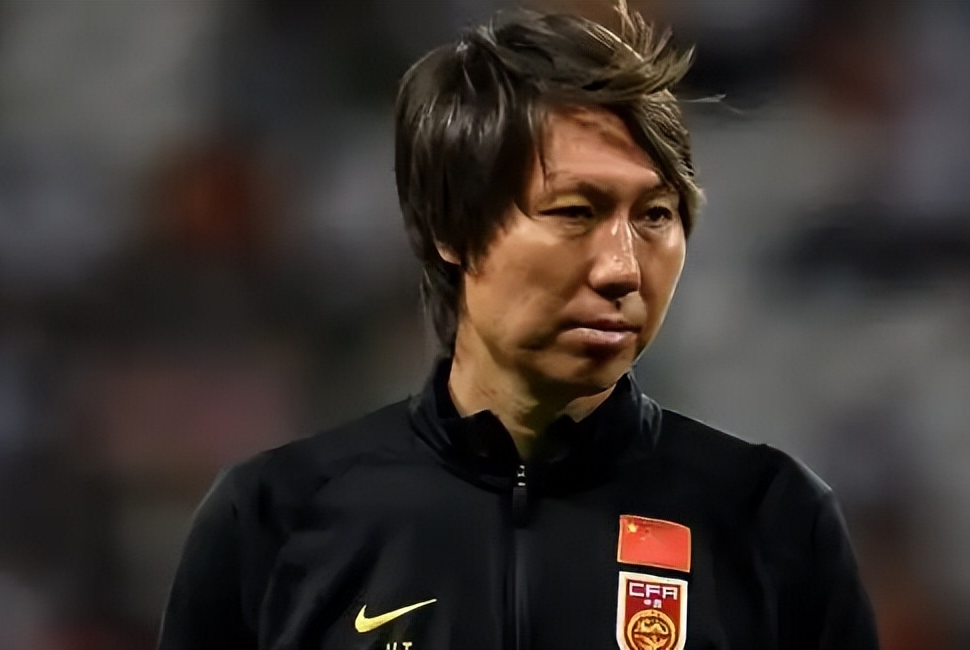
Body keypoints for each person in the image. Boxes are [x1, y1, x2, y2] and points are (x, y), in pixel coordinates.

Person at [158, 3, 878, 649]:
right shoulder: (274, 521)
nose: (622, 269)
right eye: (575, 213)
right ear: (453, 226)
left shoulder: (772, 521)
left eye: (655, 216)